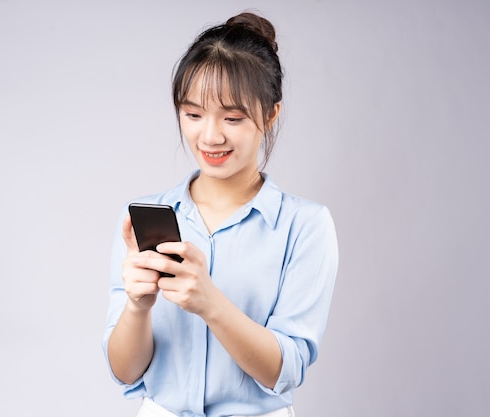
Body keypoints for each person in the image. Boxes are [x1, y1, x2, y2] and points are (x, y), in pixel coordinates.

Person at [103, 12, 339, 417]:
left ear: (269, 116)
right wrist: (138, 307)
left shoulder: (304, 226)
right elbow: (124, 372)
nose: (210, 136)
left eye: (232, 118)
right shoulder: (143, 217)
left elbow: (284, 370)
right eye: (193, 114)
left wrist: (210, 302)